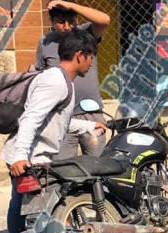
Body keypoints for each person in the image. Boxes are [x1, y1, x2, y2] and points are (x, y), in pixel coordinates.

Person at [2, 29, 108, 233]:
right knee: (28, 210)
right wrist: (21, 156)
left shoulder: (64, 82)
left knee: (31, 207)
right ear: (80, 55)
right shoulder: (54, 82)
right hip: (30, 158)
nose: (91, 64)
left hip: (34, 156)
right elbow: (31, 118)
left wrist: (89, 127)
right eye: (91, 57)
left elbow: (57, 122)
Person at [35, 0, 111, 160]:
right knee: (63, 168)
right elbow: (40, 74)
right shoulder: (45, 43)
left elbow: (104, 20)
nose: (67, 26)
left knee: (98, 167)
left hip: (91, 114)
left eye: (71, 21)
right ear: (52, 22)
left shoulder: (85, 34)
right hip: (62, 116)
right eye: (60, 22)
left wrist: (72, 6)